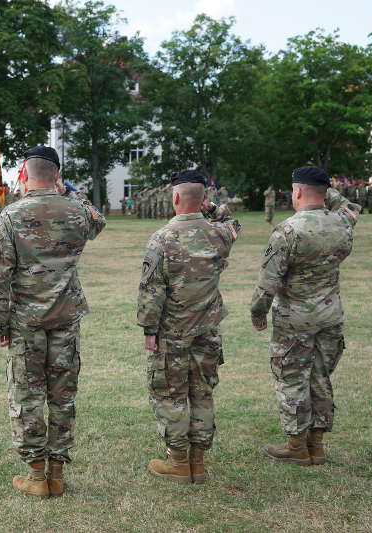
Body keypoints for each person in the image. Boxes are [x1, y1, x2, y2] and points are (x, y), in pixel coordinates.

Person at [0, 146, 106, 499]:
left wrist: (0, 325)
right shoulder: (76, 212)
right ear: (57, 176)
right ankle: (56, 471)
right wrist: (69, 193)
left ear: (23, 175)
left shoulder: (11, 216)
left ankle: (36, 475)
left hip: (26, 321)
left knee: (27, 395)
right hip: (66, 318)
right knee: (62, 395)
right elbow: (98, 220)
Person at [251, 166, 360, 467]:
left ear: (297, 191)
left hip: (295, 319)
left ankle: (297, 446)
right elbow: (350, 207)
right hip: (330, 315)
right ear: (325, 193)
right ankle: (318, 445)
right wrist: (327, 190)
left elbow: (267, 282)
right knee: (321, 377)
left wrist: (258, 314)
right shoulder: (342, 224)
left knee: (293, 379)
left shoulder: (288, 230)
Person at [137, 169, 241, 485]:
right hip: (207, 331)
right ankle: (198, 461)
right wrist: (210, 209)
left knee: (170, 394)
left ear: (176, 198)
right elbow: (234, 223)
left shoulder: (162, 239)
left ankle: (179, 461)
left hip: (173, 332)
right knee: (202, 393)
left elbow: (152, 291)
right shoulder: (220, 235)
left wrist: (148, 329)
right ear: (203, 200)